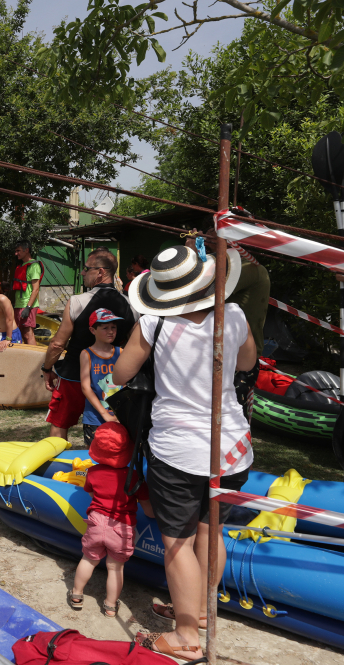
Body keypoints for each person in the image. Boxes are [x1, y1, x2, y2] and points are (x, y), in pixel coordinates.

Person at [113, 244, 255, 661]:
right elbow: (247, 363)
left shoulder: (153, 322)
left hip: (178, 450)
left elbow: (122, 373)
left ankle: (187, 634)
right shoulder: (234, 315)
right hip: (231, 445)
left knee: (178, 541)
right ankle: (203, 613)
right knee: (212, 532)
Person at [41, 248, 136, 440]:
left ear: (100, 272)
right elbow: (133, 346)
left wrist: (47, 368)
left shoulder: (77, 301)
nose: (83, 273)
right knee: (114, 424)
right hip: (110, 380)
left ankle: (57, 465)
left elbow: (58, 344)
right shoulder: (131, 305)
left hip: (74, 375)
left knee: (60, 422)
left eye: (87, 268)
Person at [67, 422, 153, 618]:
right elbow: (148, 508)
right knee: (115, 568)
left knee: (88, 560)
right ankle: (110, 606)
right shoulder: (135, 478)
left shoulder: (93, 472)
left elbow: (90, 493)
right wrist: (153, 516)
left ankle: (77, 595)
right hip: (121, 528)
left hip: (96, 522)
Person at [79, 308, 123, 446]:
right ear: (93, 330)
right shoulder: (86, 354)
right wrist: (104, 414)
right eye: (105, 327)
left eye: (113, 327)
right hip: (95, 419)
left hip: (120, 417)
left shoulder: (121, 352)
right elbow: (86, 387)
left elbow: (126, 384)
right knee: (96, 457)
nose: (110, 331)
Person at [13, 241, 42, 346]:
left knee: (28, 334)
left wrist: (28, 307)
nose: (16, 253)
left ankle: (34, 360)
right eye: (15, 251)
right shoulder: (21, 266)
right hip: (19, 305)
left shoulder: (34, 266)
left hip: (27, 305)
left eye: (18, 251)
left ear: (27, 250)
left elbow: (35, 289)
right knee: (22, 333)